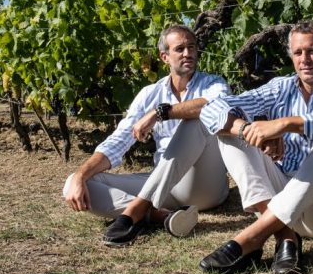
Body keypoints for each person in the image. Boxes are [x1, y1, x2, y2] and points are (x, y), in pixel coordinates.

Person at [198, 21, 313, 274]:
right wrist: (249, 130)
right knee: (229, 133)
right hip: (284, 204)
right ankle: (285, 235)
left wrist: (286, 124)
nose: (305, 59)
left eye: (312, 51)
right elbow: (211, 109)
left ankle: (253, 236)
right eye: (298, 52)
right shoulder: (280, 88)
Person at [62, 25, 230, 246]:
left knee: (198, 117)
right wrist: (81, 175)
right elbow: (119, 140)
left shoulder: (213, 83)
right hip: (165, 186)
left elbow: (218, 106)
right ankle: (161, 215)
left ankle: (134, 212)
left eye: (191, 47)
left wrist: (161, 113)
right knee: (75, 183)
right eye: (179, 49)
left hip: (204, 184)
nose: (187, 53)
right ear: (164, 57)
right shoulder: (149, 94)